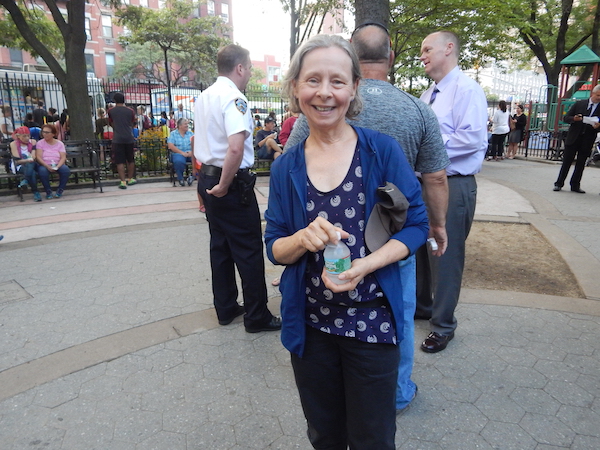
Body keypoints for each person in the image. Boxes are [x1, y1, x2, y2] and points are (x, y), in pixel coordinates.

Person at [265, 34, 429, 449]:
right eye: (313, 80)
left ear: (354, 87)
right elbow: (274, 247)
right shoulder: (287, 167)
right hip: (311, 327)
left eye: (337, 81)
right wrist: (302, 238)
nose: (324, 93)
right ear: (296, 88)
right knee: (325, 435)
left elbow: (416, 226)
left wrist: (367, 264)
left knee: (373, 437)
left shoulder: (381, 152)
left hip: (372, 323)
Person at [193, 44, 281, 333]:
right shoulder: (234, 98)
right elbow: (235, 147)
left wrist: (204, 183)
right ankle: (257, 316)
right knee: (248, 249)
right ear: (240, 68)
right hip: (229, 183)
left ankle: (226, 307)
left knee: (220, 245)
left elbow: (201, 143)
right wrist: (225, 184)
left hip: (209, 177)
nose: (249, 74)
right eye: (249, 69)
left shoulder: (205, 96)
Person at [417, 31, 488, 353]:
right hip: (423, 182)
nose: (422, 56)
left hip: (454, 183)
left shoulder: (467, 89)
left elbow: (471, 139)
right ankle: (424, 307)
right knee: (420, 248)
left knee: (445, 255)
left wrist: (428, 149)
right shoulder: (426, 94)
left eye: (427, 49)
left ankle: (443, 325)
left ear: (449, 48)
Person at [553, 85, 600, 194]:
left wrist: (598, 126)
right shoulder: (580, 104)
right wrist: (574, 119)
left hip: (587, 139)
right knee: (566, 162)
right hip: (574, 137)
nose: (599, 98)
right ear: (593, 94)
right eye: (598, 95)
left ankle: (575, 185)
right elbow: (566, 118)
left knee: (581, 163)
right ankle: (559, 183)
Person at [108, 92, 137, 189]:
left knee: (119, 161)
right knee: (130, 159)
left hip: (117, 138)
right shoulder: (130, 111)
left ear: (115, 100)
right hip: (129, 137)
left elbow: (111, 122)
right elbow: (132, 122)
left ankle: (123, 181)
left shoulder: (111, 111)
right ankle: (130, 178)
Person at [36, 123, 71, 199]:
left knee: (65, 170)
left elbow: (63, 157)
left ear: (53, 134)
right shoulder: (40, 143)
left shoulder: (59, 144)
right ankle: (48, 191)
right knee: (42, 171)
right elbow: (38, 157)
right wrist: (47, 166)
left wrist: (58, 166)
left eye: (47, 132)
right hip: (45, 164)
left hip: (57, 163)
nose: (44, 134)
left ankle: (60, 189)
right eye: (43, 132)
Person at [9, 126, 41, 202]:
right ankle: (35, 192)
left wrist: (28, 159)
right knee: (31, 171)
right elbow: (17, 160)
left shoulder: (33, 142)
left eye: (28, 135)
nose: (27, 138)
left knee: (30, 163)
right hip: (19, 166)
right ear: (18, 136)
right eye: (24, 136)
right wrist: (27, 159)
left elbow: (33, 157)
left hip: (32, 163)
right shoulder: (13, 144)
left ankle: (26, 180)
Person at [167, 118, 194, 186]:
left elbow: (197, 144)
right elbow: (170, 146)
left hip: (190, 153)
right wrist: (182, 153)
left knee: (199, 160)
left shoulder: (191, 134)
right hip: (178, 153)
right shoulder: (173, 134)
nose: (187, 125)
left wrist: (192, 152)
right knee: (179, 161)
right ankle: (180, 178)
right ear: (180, 126)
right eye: (185, 124)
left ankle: (192, 176)